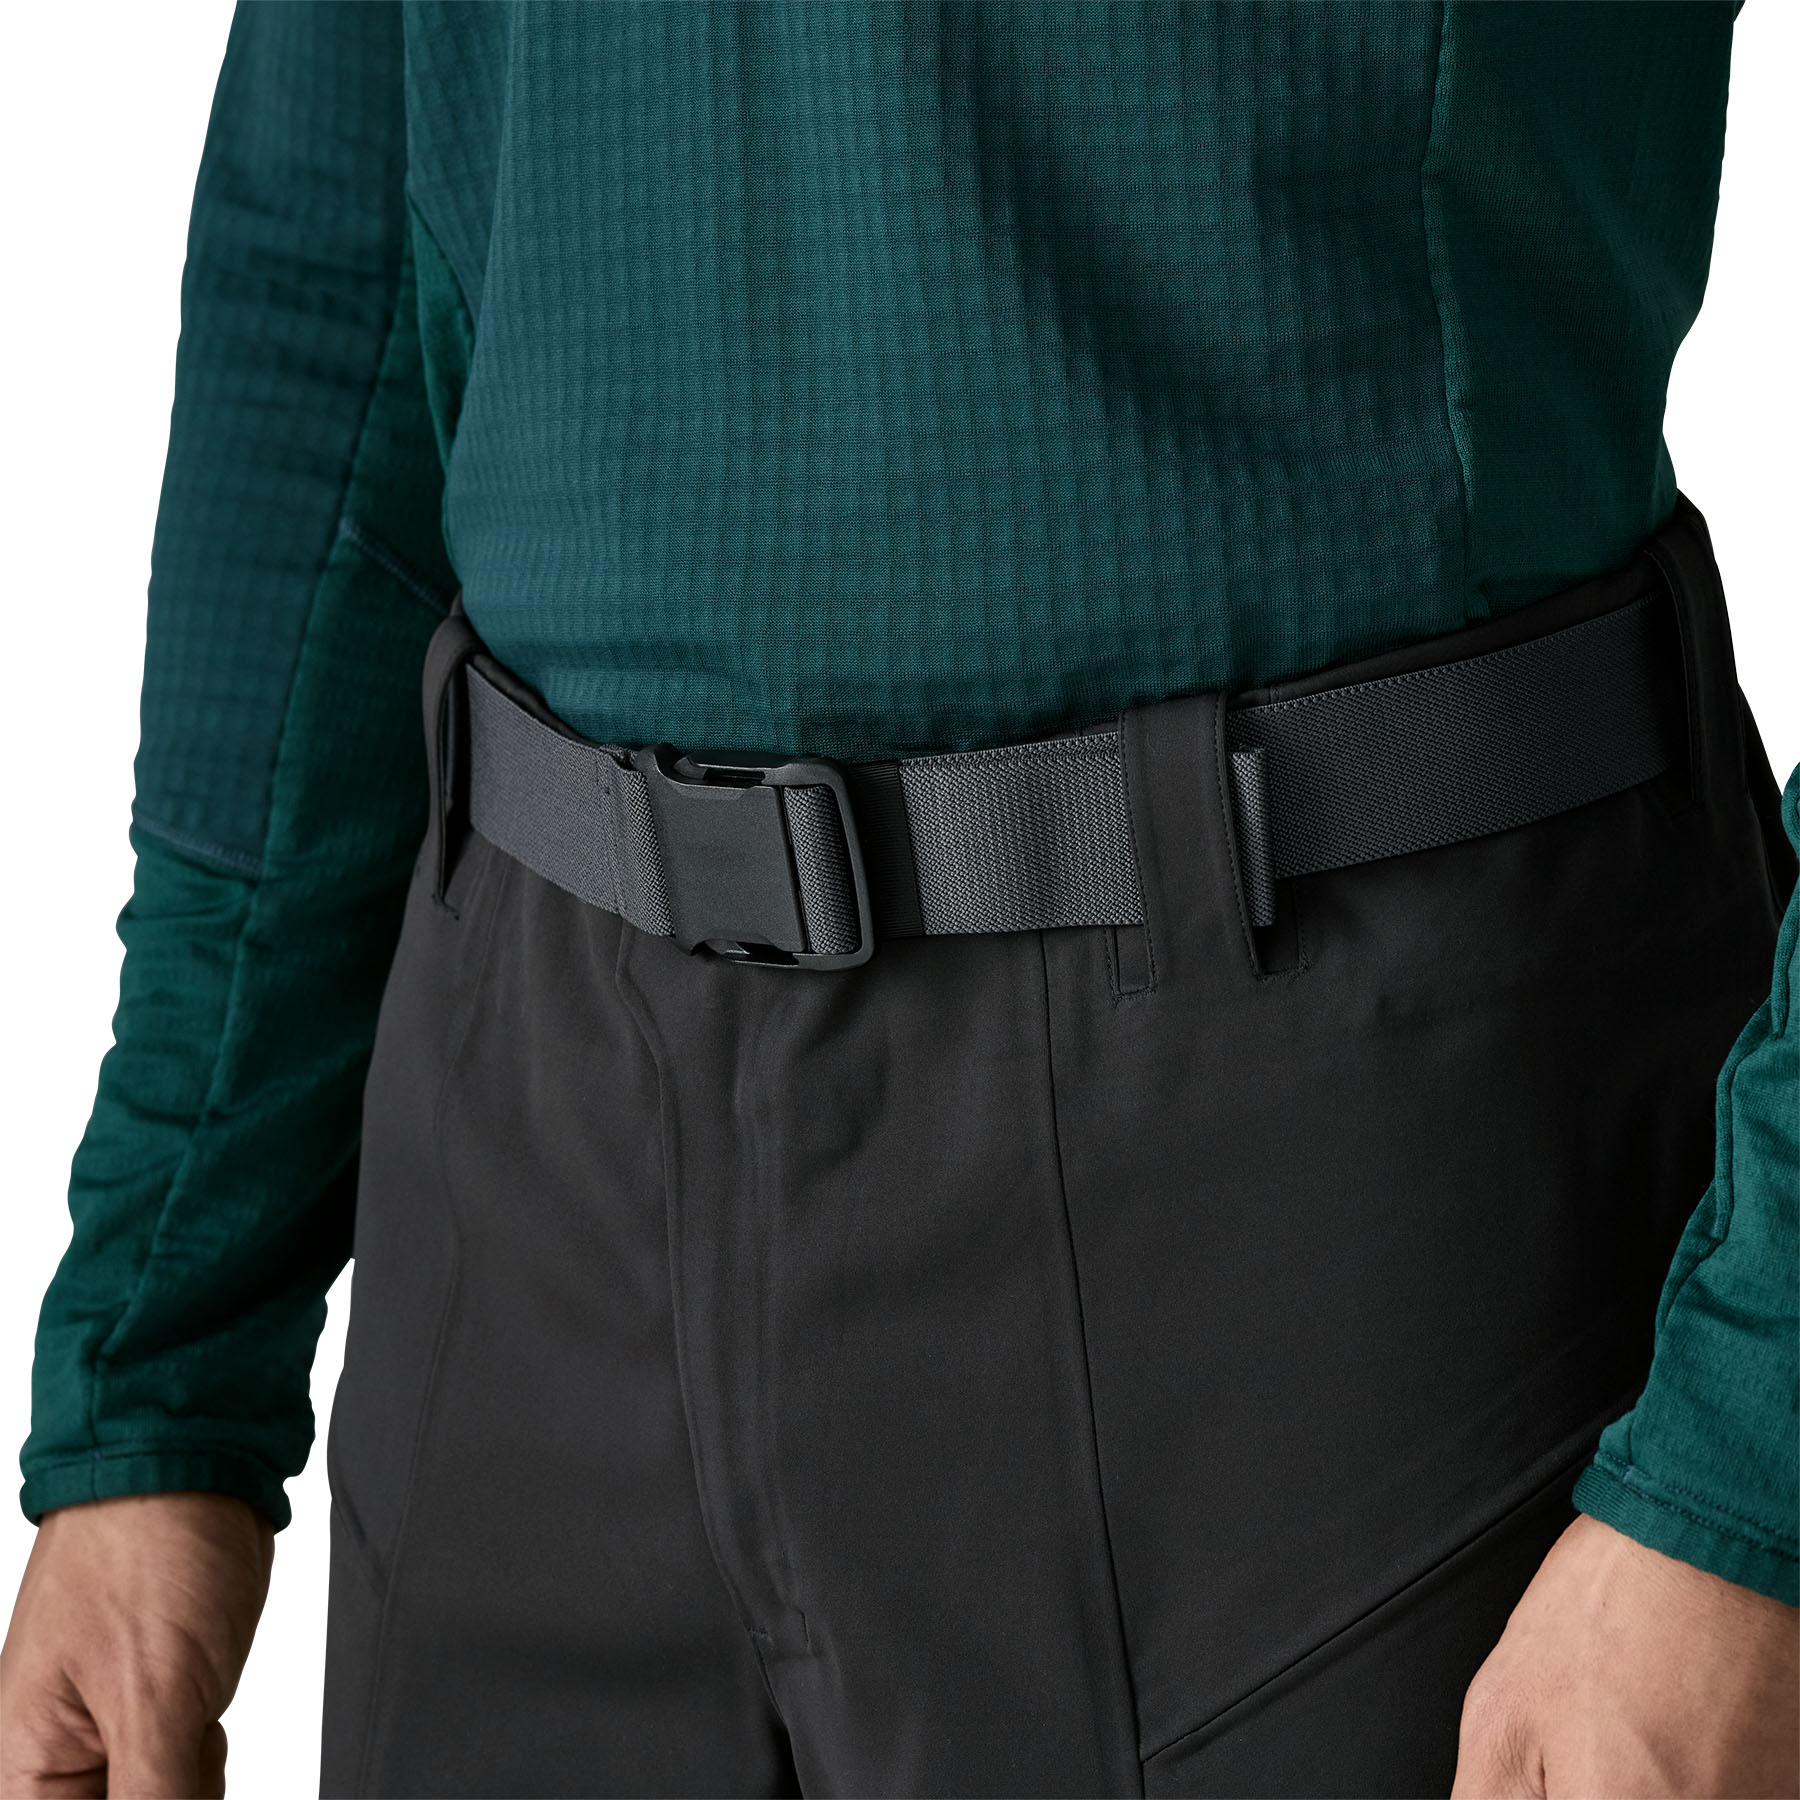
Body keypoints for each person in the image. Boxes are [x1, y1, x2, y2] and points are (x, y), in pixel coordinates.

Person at [1, 5, 1794, 1796]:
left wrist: (1753, 1463)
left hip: (1329, 1205)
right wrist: (163, 1354)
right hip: (529, 1205)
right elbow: (341, 245)